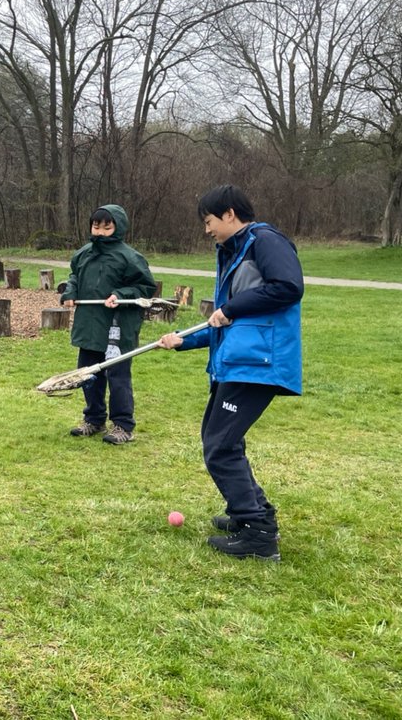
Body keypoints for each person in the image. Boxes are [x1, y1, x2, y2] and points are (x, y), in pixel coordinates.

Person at [157, 185, 303, 561]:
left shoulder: (265, 242)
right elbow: (225, 321)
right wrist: (183, 341)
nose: (206, 230)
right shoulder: (234, 252)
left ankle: (258, 534)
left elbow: (288, 287)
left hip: (259, 365)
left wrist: (232, 307)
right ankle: (250, 514)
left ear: (230, 214)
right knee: (221, 439)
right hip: (239, 363)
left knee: (220, 447)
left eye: (208, 221)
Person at [62, 204, 157, 444]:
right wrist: (70, 291)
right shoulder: (84, 254)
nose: (101, 231)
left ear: (118, 227)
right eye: (97, 226)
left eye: (107, 226)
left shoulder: (130, 257)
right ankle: (93, 419)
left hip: (118, 327)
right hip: (89, 325)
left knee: (118, 376)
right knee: (88, 374)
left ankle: (123, 425)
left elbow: (144, 288)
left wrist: (120, 295)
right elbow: (74, 276)